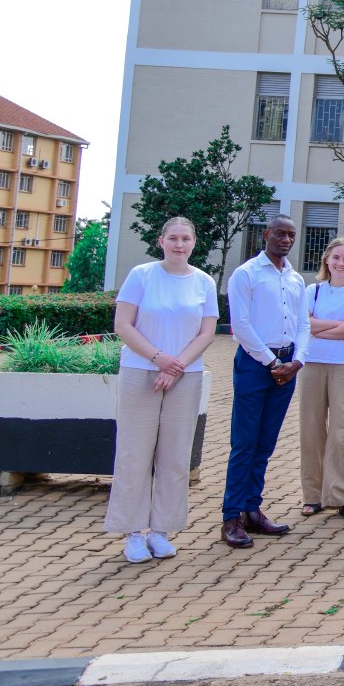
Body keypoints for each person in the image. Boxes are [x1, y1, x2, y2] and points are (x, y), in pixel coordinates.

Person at [105, 216, 218, 563]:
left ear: (194, 242)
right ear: (161, 241)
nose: (179, 244)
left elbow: (206, 332)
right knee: (133, 455)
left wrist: (176, 366)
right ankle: (133, 533)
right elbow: (123, 325)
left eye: (186, 238)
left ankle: (160, 531)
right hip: (141, 372)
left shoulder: (203, 282)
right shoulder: (141, 276)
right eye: (173, 238)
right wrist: (158, 358)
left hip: (185, 376)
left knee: (174, 458)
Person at [221, 214, 308, 549]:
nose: (286, 240)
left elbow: (303, 325)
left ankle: (251, 510)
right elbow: (240, 325)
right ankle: (231, 517)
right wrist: (273, 363)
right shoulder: (246, 274)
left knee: (265, 443)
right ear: (266, 235)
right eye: (280, 234)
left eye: (291, 235)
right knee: (244, 443)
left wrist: (296, 361)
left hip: (287, 366)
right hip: (256, 365)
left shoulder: (295, 279)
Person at [297, 237, 344, 523]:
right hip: (312, 364)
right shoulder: (312, 291)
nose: (341, 263)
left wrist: (320, 328)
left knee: (343, 431)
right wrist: (339, 328)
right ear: (326, 260)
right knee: (311, 429)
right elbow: (302, 324)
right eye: (336, 257)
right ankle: (313, 496)